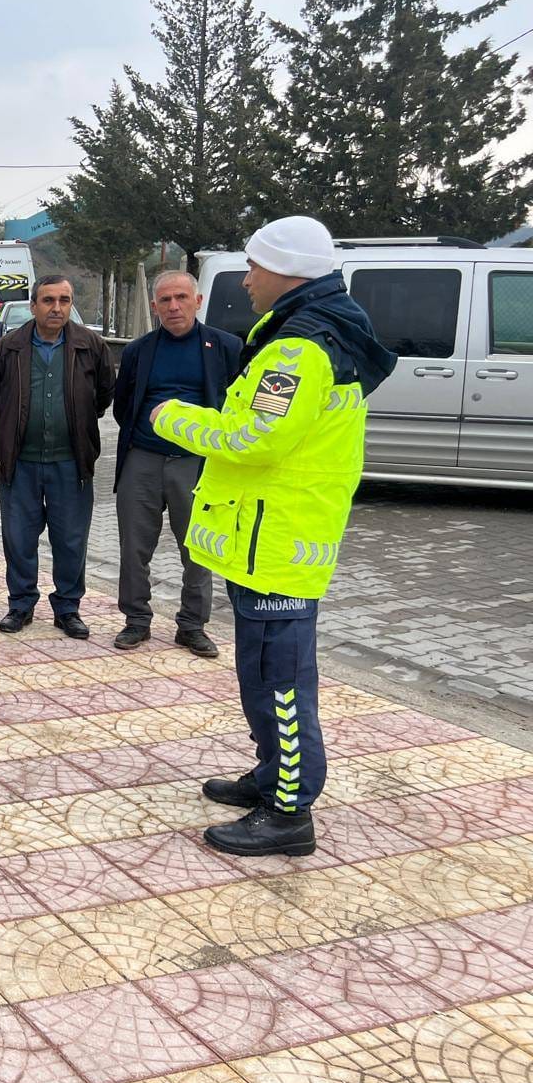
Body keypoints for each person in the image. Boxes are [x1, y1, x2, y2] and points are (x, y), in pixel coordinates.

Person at [150, 216, 395, 857]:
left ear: (286, 271)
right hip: (274, 533)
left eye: (254, 267)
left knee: (280, 679)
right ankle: (271, 776)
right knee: (263, 671)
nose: (247, 280)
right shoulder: (311, 332)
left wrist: (170, 416)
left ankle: (289, 811)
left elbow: (252, 437)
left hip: (277, 541)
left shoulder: (299, 349)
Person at [111, 270, 242, 658]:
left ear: (197, 301)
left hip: (197, 463)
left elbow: (236, 405)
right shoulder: (138, 351)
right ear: (155, 307)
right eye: (165, 300)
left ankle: (192, 625)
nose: (174, 306)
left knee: (198, 547)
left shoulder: (226, 347)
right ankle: (136, 620)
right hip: (143, 459)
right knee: (134, 546)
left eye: (181, 297)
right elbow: (123, 407)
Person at [0, 275, 115, 639]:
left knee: (71, 539)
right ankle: (21, 604)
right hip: (20, 462)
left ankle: (68, 608)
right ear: (33, 305)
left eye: (64, 300)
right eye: (48, 300)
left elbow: (104, 393)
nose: (56, 308)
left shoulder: (91, 345)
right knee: (18, 538)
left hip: (71, 462)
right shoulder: (8, 347)